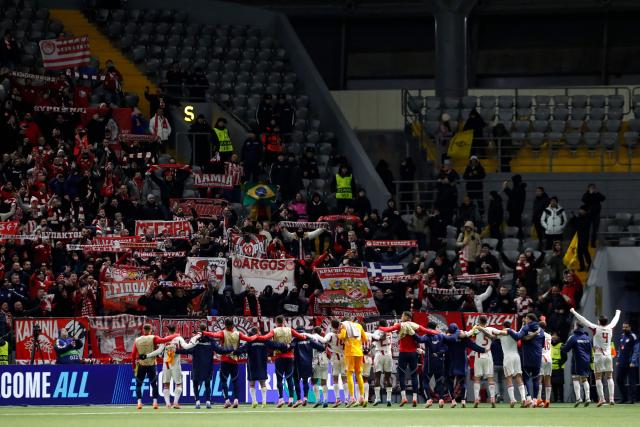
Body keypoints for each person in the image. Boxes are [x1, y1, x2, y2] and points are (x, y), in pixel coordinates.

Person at [378, 311, 439, 407]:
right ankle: (414, 398)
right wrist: (437, 332)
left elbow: (388, 329)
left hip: (403, 353)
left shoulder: (400, 325)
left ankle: (404, 398)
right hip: (413, 353)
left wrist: (380, 327)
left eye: (402, 315)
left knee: (401, 375)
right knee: (414, 375)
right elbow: (428, 331)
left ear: (406, 316)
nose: (401, 317)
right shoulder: (415, 325)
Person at [201, 318, 257, 408]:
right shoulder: (238, 334)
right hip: (234, 361)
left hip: (225, 360)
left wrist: (204, 333)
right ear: (233, 325)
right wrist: (256, 336)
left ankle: (227, 400)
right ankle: (236, 400)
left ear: (225, 325)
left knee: (224, 380)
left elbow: (213, 335)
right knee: (235, 380)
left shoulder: (223, 333)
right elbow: (249, 339)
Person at [175, 323, 233, 409]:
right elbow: (219, 350)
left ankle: (197, 402)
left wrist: (176, 351)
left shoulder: (195, 340)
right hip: (208, 365)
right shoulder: (210, 339)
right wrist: (230, 350)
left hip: (197, 365)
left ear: (200, 329)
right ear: (206, 329)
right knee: (207, 384)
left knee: (195, 384)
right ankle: (208, 402)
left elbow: (188, 350)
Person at [570, 307, 621, 406]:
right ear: (606, 322)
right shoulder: (610, 327)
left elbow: (583, 320)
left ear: (598, 321)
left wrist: (573, 312)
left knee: (598, 378)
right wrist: (618, 312)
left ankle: (601, 399)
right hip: (608, 355)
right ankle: (611, 398)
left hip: (598, 354)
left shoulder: (595, 328)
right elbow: (615, 320)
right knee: (609, 377)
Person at [256, 315, 308, 407]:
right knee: (289, 378)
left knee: (279, 378)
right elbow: (301, 337)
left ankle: (281, 399)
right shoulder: (290, 330)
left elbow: (264, 338)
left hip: (279, 357)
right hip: (289, 357)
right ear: (284, 321)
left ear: (276, 322)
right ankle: (291, 399)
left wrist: (257, 337)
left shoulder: (274, 331)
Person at [475, 320, 528, 408]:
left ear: (503, 326)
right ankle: (523, 398)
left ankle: (513, 399)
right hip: (516, 356)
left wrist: (481, 329)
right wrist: (523, 325)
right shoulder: (515, 333)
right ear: (510, 326)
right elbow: (520, 334)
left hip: (507, 358)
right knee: (519, 377)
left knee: (509, 378)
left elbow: (491, 337)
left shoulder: (501, 334)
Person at [144, 324, 198, 409]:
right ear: (175, 329)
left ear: (168, 331)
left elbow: (158, 351)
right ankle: (175, 403)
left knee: (166, 384)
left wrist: (147, 355)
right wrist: (195, 342)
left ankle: (168, 404)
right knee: (179, 384)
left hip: (166, 364)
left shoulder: (165, 339)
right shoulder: (179, 338)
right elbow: (186, 347)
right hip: (175, 364)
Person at [234, 326, 289, 408]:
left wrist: (234, 351)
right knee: (262, 383)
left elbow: (242, 350)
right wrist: (285, 346)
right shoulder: (264, 340)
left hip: (252, 364)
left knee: (252, 384)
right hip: (262, 364)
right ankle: (264, 402)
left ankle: (254, 401)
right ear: (258, 332)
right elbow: (275, 344)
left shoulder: (250, 341)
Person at [131, 324, 180, 410]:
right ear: (150, 330)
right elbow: (165, 340)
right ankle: (155, 403)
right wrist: (176, 335)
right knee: (154, 384)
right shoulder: (153, 338)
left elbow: (133, 354)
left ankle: (139, 403)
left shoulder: (137, 340)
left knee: (139, 384)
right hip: (151, 365)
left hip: (141, 365)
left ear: (143, 330)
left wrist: (134, 366)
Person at [507, 313, 544, 406]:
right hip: (538, 357)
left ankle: (528, 398)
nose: (525, 320)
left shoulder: (526, 327)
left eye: (526, 318)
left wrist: (509, 330)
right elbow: (542, 345)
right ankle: (535, 400)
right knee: (536, 379)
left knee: (526, 378)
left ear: (529, 319)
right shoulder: (541, 330)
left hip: (527, 357)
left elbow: (517, 337)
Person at [466, 315, 499, 408]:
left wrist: (474, 329)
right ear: (486, 321)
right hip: (488, 355)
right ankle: (492, 398)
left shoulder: (476, 329)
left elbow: (470, 335)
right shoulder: (491, 329)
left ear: (479, 321)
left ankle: (477, 398)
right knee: (490, 378)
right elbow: (499, 333)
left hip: (479, 355)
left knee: (477, 377)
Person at [314, 319, 348, 407]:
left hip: (335, 357)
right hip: (344, 357)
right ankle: (347, 399)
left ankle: (338, 399)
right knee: (345, 379)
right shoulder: (344, 334)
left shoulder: (330, 334)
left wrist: (316, 336)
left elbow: (324, 341)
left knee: (335, 378)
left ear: (332, 326)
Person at [291, 328, 326, 407]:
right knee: (305, 381)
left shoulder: (296, 340)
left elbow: (289, 347)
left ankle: (299, 399)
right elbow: (321, 347)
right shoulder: (309, 339)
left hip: (297, 363)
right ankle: (306, 398)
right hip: (308, 363)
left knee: (296, 381)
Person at [561, 323, 593, 407]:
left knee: (575, 378)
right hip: (586, 360)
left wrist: (562, 347)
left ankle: (578, 398)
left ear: (576, 327)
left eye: (574, 326)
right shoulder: (587, 338)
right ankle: (588, 398)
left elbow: (566, 349)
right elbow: (590, 350)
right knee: (584, 379)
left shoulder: (573, 337)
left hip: (577, 361)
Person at [338, 318, 368, 406]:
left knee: (350, 374)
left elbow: (342, 336)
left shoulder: (344, 325)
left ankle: (352, 397)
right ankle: (362, 396)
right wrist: (357, 343)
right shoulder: (359, 326)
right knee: (359, 374)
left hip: (350, 352)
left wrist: (339, 335)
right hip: (359, 352)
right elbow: (365, 338)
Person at [369, 320, 394, 406]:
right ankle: (389, 399)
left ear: (380, 325)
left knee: (377, 376)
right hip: (388, 354)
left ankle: (377, 398)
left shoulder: (377, 331)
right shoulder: (390, 331)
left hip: (379, 354)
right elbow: (374, 342)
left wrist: (369, 348)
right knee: (388, 377)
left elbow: (379, 339)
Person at [306, 326, 330, 407]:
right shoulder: (324, 339)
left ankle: (318, 400)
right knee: (324, 381)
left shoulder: (312, 336)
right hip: (324, 359)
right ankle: (326, 400)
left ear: (313, 331)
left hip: (316, 360)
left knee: (314, 381)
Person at [616, 322, 639, 404]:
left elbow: (636, 350)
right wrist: (618, 359)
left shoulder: (633, 336)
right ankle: (624, 398)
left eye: (626, 327)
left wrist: (633, 361)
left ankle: (632, 399)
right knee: (619, 380)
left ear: (630, 327)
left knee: (632, 381)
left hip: (630, 363)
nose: (624, 329)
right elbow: (620, 348)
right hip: (622, 362)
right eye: (623, 327)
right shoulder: (622, 336)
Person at [537, 320, 553, 407]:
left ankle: (539, 399)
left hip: (541, 357)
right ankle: (547, 400)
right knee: (548, 379)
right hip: (549, 358)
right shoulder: (549, 336)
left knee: (539, 379)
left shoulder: (539, 335)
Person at [571, 205, 592, 271]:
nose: (580, 211)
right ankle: (582, 266)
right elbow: (573, 225)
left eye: (582, 210)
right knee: (579, 252)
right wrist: (573, 218)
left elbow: (583, 225)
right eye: (580, 210)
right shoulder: (579, 217)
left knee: (585, 251)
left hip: (585, 237)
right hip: (580, 236)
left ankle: (589, 264)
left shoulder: (587, 218)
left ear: (585, 211)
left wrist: (576, 219)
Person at [550, 332, 566, 403]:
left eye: (555, 335)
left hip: (559, 368)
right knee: (553, 384)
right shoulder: (549, 345)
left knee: (560, 384)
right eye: (552, 335)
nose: (553, 337)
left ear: (558, 337)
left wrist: (559, 364)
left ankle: (561, 399)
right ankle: (555, 399)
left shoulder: (561, 345)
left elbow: (565, 357)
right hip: (551, 368)